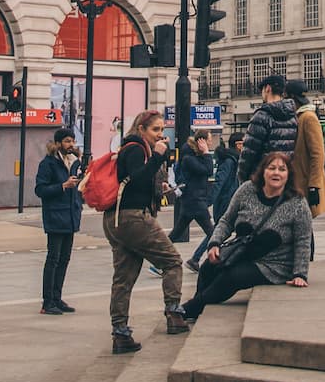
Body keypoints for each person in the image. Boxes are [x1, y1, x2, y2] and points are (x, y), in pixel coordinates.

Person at [177, 151, 312, 324]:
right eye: (271, 168)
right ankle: (199, 305)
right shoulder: (247, 189)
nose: (276, 173)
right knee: (208, 267)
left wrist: (300, 274)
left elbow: (303, 241)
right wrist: (215, 243)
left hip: (274, 265)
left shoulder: (297, 203)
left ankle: (187, 309)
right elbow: (226, 221)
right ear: (263, 171)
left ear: (289, 175)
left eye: (282, 169)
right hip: (242, 253)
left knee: (232, 277)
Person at [104, 110, 186, 354]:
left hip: (116, 218)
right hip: (133, 218)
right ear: (141, 129)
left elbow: (132, 182)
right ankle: (174, 314)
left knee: (124, 278)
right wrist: (158, 158)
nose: (161, 135)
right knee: (172, 261)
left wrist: (158, 186)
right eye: (155, 130)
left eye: (162, 129)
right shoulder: (135, 149)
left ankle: (120, 333)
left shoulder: (130, 149)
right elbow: (137, 178)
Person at [35, 127, 84, 314]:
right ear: (58, 144)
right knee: (53, 259)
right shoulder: (48, 164)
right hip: (55, 216)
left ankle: (57, 297)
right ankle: (48, 302)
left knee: (64, 259)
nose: (71, 145)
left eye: (72, 141)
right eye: (67, 141)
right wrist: (63, 186)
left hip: (70, 215)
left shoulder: (74, 162)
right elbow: (40, 190)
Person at [189, 132, 244, 271]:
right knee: (218, 231)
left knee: (222, 231)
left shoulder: (235, 159)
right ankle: (196, 258)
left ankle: (199, 259)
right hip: (225, 201)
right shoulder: (230, 161)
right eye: (244, 142)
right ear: (238, 145)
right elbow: (220, 181)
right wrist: (211, 200)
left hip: (229, 200)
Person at [286, 80, 325, 218]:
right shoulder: (299, 117)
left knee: (303, 228)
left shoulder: (308, 118)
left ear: (292, 98)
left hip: (304, 182)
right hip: (297, 182)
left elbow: (318, 154)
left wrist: (314, 185)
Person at [238, 75, 297, 181]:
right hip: (284, 176)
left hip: (262, 178)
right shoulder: (292, 116)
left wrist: (243, 178)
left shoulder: (262, 116)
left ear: (268, 88)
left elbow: (248, 153)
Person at [169, 131, 217, 242]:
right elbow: (208, 170)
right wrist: (206, 152)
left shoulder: (194, 156)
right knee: (212, 233)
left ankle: (162, 251)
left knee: (176, 233)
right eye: (209, 140)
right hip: (195, 200)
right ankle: (221, 255)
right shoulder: (189, 158)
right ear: (201, 141)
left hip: (191, 200)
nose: (210, 143)